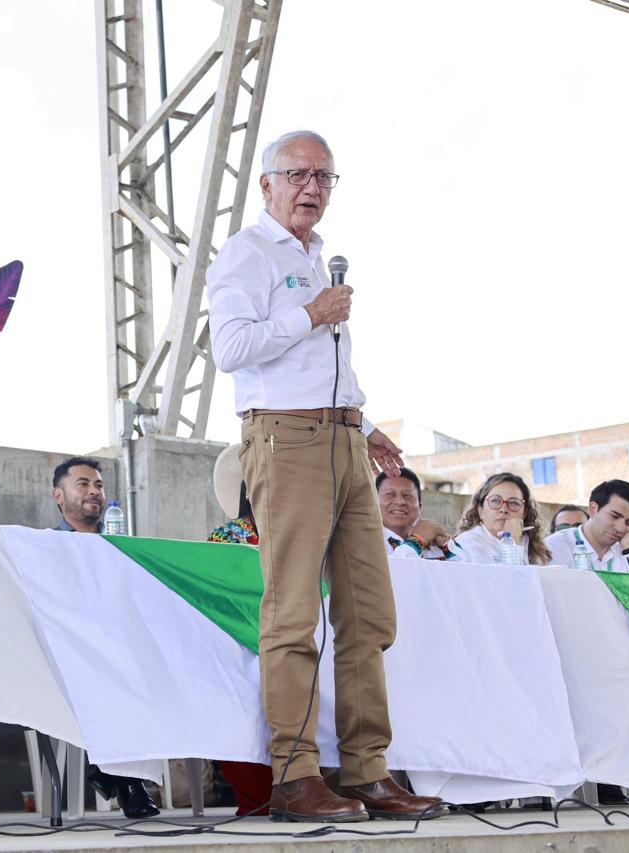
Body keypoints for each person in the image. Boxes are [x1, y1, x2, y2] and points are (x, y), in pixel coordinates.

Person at [205, 130, 444, 822]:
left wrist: (365, 426)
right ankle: (295, 773)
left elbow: (324, 360)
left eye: (325, 177)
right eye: (299, 174)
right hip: (284, 438)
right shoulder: (245, 255)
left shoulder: (316, 258)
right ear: (267, 184)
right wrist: (312, 313)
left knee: (368, 610)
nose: (313, 187)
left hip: (342, 438)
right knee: (293, 612)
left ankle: (368, 770)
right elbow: (232, 346)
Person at [49, 456, 161, 819]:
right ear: (59, 496)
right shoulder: (44, 548)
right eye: (82, 484)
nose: (94, 491)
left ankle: (109, 772)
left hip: (121, 651)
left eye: (98, 485)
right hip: (69, 658)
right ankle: (129, 783)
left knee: (151, 668)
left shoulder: (121, 546)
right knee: (114, 673)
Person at [453, 473, 550, 565]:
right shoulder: (466, 546)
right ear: (480, 510)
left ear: (524, 513)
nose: (504, 509)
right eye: (495, 501)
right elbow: (511, 580)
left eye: (514, 503)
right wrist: (513, 543)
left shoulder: (533, 547)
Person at [545, 480, 629, 573]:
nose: (620, 528)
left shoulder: (628, 552)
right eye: (614, 516)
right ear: (593, 509)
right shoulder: (553, 548)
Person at [376, 469, 457, 559]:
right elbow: (395, 570)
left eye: (407, 495)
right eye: (390, 494)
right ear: (374, 504)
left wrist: (447, 544)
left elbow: (469, 568)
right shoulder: (364, 540)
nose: (400, 502)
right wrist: (417, 540)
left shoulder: (434, 542)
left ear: (420, 506)